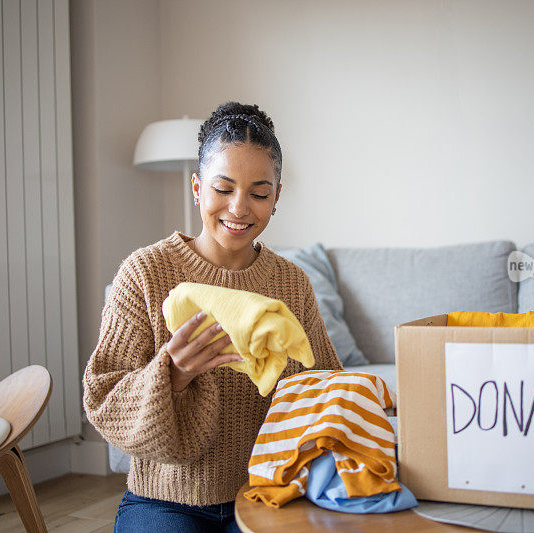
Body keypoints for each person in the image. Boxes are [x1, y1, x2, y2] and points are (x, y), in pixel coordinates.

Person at [83, 102, 343, 532]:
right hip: (165, 500)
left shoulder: (291, 284)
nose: (239, 209)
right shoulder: (145, 273)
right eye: (223, 189)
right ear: (197, 187)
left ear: (276, 199)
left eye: (259, 193)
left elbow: (325, 384)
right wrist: (173, 373)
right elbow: (103, 398)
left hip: (266, 493)